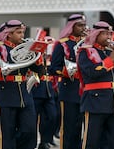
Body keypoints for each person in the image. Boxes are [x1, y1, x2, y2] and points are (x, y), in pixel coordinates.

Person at [0, 20, 43, 149]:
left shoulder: (27, 48)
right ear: (9, 34)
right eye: (19, 32)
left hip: (25, 94)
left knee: (29, 130)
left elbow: (40, 71)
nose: (22, 35)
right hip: (5, 95)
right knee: (6, 133)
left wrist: (39, 57)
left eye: (23, 32)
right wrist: (3, 71)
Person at [77, 21, 114, 149]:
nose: (109, 37)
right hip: (95, 101)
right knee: (92, 141)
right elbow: (92, 73)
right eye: (105, 34)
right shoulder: (86, 52)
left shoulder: (109, 51)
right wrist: (111, 59)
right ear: (96, 35)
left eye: (110, 34)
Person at [49, 14, 87, 149]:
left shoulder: (87, 43)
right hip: (69, 90)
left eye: (84, 25)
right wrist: (69, 71)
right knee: (69, 128)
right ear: (72, 26)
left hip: (85, 91)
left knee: (81, 128)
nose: (83, 28)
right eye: (80, 25)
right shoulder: (62, 44)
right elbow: (54, 68)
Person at [31, 36, 58, 149]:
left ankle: (45, 140)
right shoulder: (36, 56)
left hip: (49, 91)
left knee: (52, 116)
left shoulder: (52, 58)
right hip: (36, 90)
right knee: (33, 120)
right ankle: (31, 143)